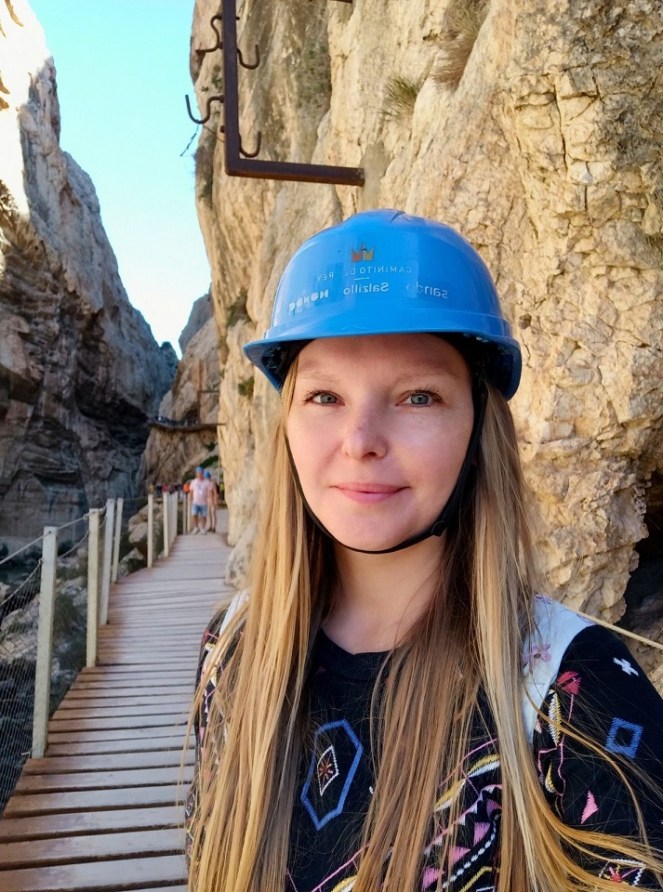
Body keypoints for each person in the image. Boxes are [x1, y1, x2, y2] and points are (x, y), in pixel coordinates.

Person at [185, 210, 663, 890]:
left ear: (478, 429)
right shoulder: (232, 648)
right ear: (286, 423)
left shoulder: (578, 698)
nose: (360, 440)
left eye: (417, 396)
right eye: (324, 395)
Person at [189, 466, 209, 535]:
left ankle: (203, 528)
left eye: (201, 473)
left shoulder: (206, 482)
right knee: (194, 514)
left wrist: (209, 499)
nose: (200, 475)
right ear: (196, 474)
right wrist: (190, 499)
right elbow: (191, 491)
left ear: (203, 473)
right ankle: (196, 527)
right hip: (195, 501)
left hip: (203, 502)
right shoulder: (193, 482)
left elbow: (209, 491)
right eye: (198, 473)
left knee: (204, 515)